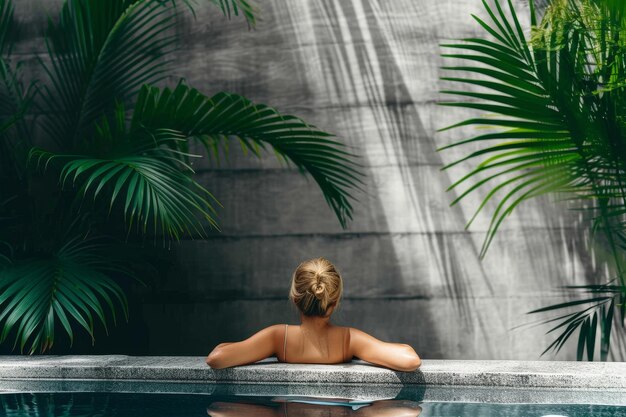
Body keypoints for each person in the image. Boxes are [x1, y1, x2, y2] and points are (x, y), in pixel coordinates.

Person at [205, 257, 421, 372]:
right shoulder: (348, 339)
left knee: (221, 411)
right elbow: (410, 360)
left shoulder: (279, 338)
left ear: (296, 298)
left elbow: (216, 358)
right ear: (334, 303)